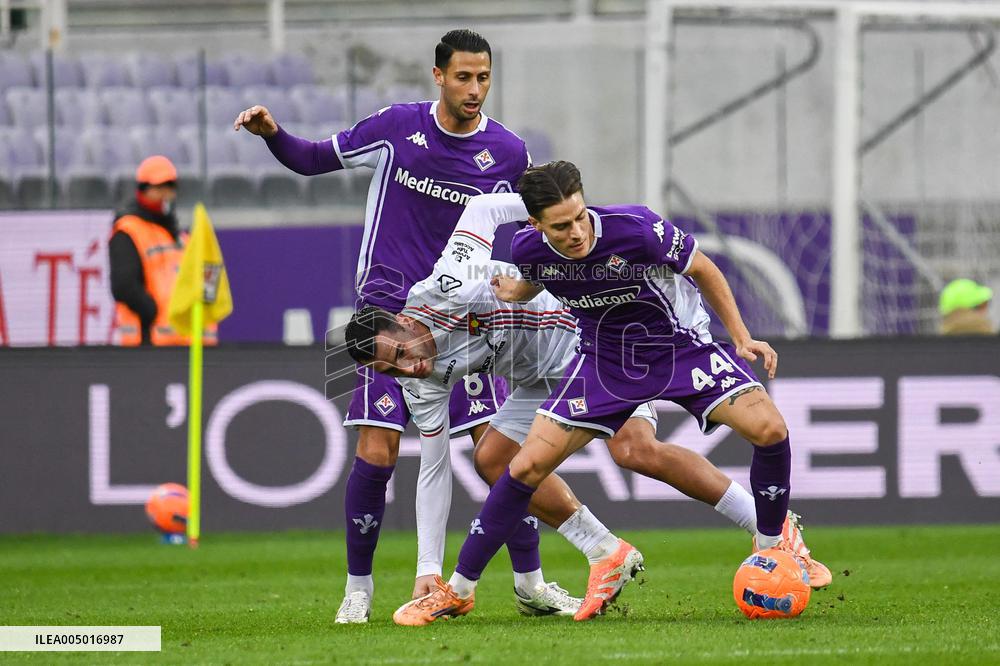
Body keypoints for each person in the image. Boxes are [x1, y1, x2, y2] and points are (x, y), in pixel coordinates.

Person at [343, 194, 829, 625]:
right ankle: (604, 551)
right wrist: (426, 567)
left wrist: (544, 213)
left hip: (586, 348)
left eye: (403, 354)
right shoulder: (421, 382)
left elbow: (482, 208)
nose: (412, 368)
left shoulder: (449, 283)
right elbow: (433, 469)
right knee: (494, 459)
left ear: (406, 322)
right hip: (537, 379)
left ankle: (775, 530)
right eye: (395, 371)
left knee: (635, 449)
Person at [234, 30, 535, 623]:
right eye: (463, 77)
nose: (474, 89)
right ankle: (359, 590)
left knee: (498, 452)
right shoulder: (398, 127)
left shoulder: (508, 153)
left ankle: (531, 584)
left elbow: (520, 231)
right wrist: (274, 134)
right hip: (390, 318)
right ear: (438, 76)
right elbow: (315, 157)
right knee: (377, 449)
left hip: (467, 318)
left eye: (483, 77)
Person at [109, 155, 215, 346]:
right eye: (158, 188)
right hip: (149, 346)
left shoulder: (181, 238)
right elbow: (123, 285)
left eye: (170, 187)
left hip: (189, 346)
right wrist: (153, 312)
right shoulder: (128, 231)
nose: (166, 194)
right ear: (142, 190)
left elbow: (207, 284)